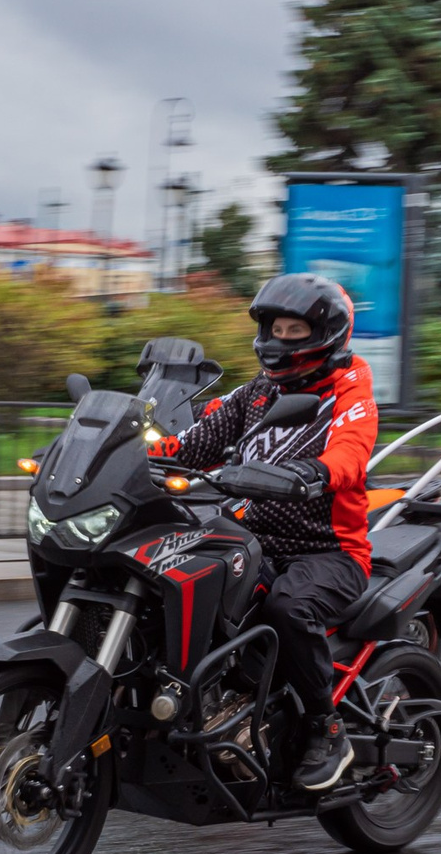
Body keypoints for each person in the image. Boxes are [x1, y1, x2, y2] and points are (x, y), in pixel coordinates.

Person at [151, 273, 377, 792]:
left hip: (328, 551)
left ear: (325, 334)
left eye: (294, 329)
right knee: (179, 576)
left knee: (287, 606)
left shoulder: (349, 388)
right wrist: (123, 452)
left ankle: (328, 729)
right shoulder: (257, 392)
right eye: (274, 327)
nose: (279, 340)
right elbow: (193, 442)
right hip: (253, 536)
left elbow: (351, 449)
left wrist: (315, 472)